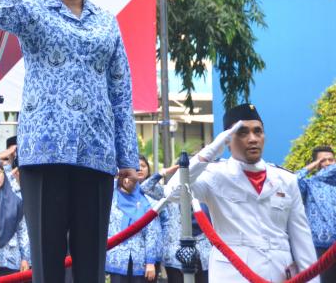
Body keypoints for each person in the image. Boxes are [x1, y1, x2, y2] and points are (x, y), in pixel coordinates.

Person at [0, 0, 138, 283]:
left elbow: (121, 92)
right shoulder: (32, 11)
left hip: (96, 151)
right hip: (44, 150)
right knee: (47, 261)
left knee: (91, 263)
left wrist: (127, 157)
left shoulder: (106, 21)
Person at [165, 103, 318, 282]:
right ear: (227, 139)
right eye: (243, 132)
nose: (252, 138)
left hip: (277, 272)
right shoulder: (214, 174)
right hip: (232, 273)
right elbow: (173, 193)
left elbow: (302, 241)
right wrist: (209, 153)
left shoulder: (285, 179)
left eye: (258, 131)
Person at [105, 167, 160, 283]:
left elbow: (151, 232)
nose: (128, 182)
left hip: (139, 260)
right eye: (126, 178)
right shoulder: (110, 197)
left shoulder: (145, 202)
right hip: (116, 258)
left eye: (133, 180)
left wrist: (150, 262)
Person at [297, 146, 336, 283]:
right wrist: (312, 166)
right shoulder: (309, 183)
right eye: (322, 161)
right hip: (320, 247)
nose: (327, 163)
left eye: (330, 160)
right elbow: (292, 182)